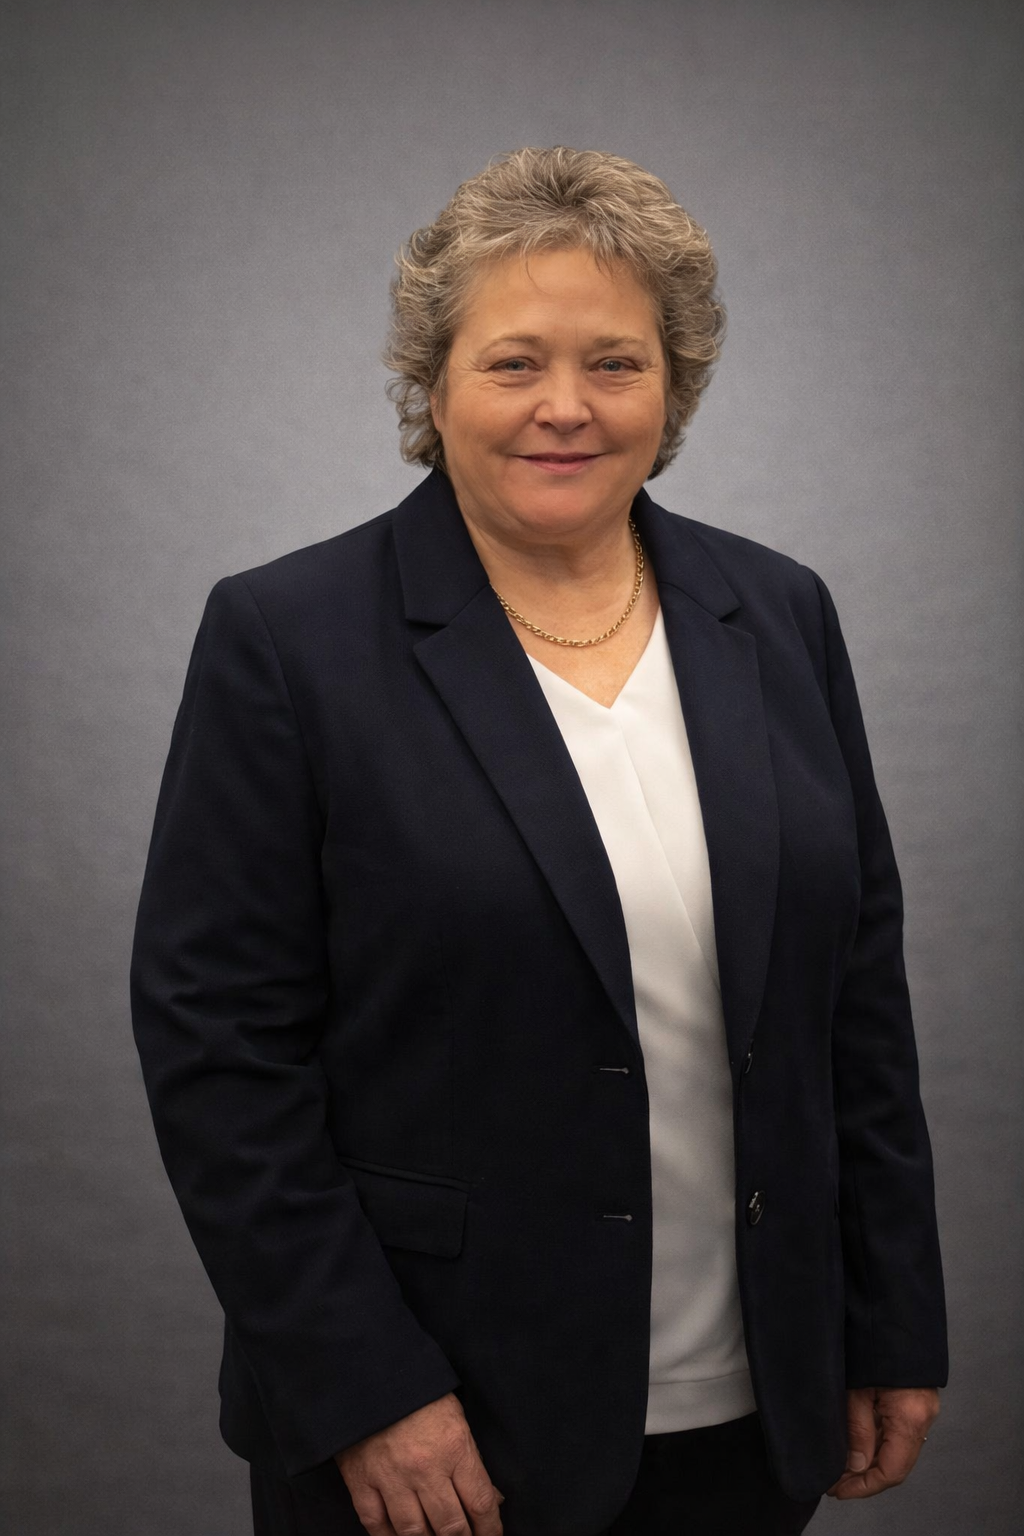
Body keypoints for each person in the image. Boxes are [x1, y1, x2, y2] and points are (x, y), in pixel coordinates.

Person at [130, 146, 947, 1536]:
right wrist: (364, 1388)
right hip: (440, 1427)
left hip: (758, 1407)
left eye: (615, 363)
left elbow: (858, 998)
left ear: (673, 385)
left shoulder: (779, 614)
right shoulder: (288, 639)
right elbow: (220, 1054)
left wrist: (890, 1314)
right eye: (514, 363)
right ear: (433, 382)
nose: (565, 406)